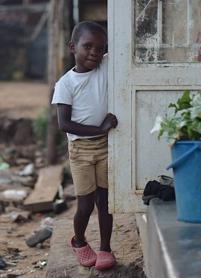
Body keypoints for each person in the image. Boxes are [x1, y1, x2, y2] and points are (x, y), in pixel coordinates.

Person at [51, 21, 118, 270]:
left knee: (105, 202)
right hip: (80, 151)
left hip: (105, 146)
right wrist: (99, 128)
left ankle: (105, 248)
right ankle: (79, 241)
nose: (94, 52)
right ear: (72, 47)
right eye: (87, 46)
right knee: (86, 204)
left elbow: (125, 49)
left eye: (99, 48)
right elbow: (64, 123)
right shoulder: (66, 84)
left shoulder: (105, 67)